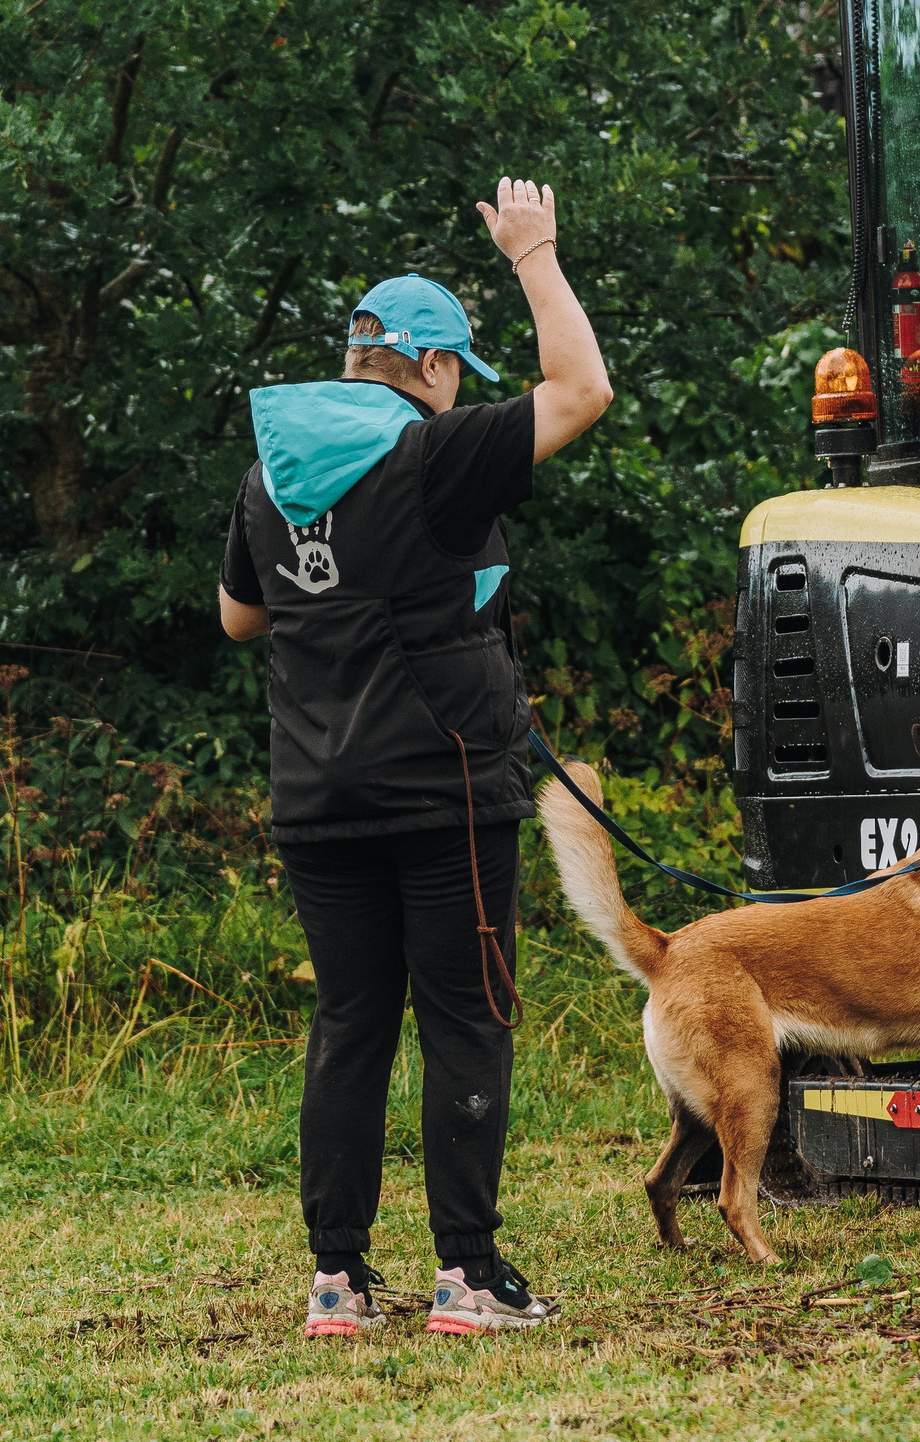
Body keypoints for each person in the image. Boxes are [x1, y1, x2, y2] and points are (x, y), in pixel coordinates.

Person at [218, 179, 612, 1339]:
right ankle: (468, 1276)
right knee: (463, 1018)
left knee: (350, 1023)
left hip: (316, 797)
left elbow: (242, 619)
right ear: (433, 367)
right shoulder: (437, 455)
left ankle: (337, 1280)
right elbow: (579, 390)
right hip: (445, 793)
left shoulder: (267, 474)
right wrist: (533, 253)